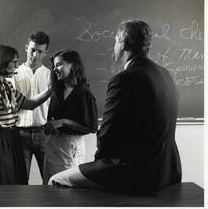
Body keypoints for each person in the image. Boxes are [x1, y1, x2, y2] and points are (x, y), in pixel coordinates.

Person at [48, 19, 182, 195]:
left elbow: (107, 133)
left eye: (115, 41)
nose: (114, 47)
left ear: (123, 43)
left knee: (55, 180)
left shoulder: (124, 79)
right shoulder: (165, 74)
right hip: (169, 169)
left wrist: (98, 166)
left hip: (136, 171)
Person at [0, 44, 52, 185]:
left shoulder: (5, 85)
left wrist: (51, 90)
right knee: (0, 186)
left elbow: (30, 104)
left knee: (14, 184)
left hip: (11, 138)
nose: (16, 65)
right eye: (13, 62)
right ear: (1, 62)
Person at [43, 49, 98, 184]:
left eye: (59, 64)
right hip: (53, 145)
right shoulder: (57, 92)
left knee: (65, 188)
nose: (55, 69)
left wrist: (64, 122)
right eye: (54, 66)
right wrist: (50, 126)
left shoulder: (84, 94)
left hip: (70, 146)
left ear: (73, 65)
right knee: (49, 186)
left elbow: (91, 127)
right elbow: (52, 120)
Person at [9, 31, 51, 184]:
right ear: (26, 47)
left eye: (40, 51)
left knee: (50, 181)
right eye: (32, 49)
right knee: (20, 181)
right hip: (20, 134)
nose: (35, 54)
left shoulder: (51, 75)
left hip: (44, 133)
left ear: (45, 52)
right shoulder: (13, 74)